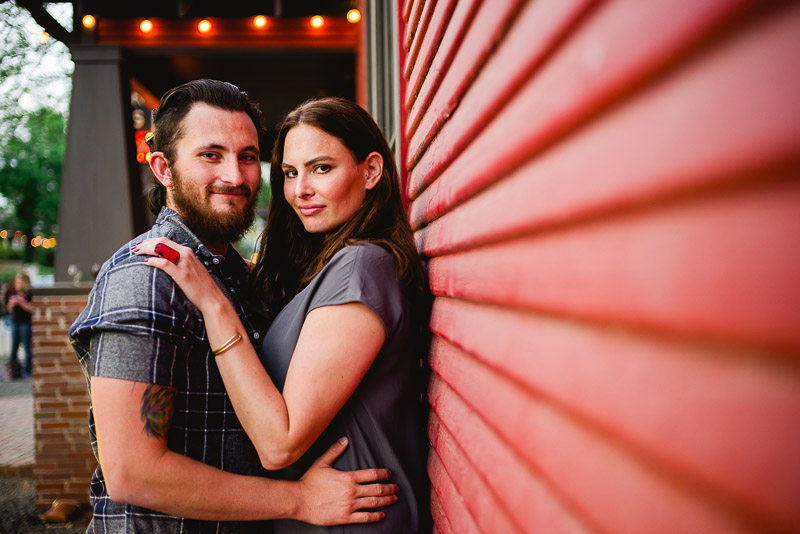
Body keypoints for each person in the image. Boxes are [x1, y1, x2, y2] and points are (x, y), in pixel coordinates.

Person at [69, 80, 399, 533]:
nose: (236, 176)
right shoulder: (146, 277)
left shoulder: (239, 277)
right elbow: (132, 472)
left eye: (247, 156)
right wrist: (298, 499)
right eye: (210, 155)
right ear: (163, 168)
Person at [5, 271, 34, 379]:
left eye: (21, 280)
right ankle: (12, 372)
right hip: (15, 323)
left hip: (26, 323)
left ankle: (27, 371)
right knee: (13, 348)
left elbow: (32, 309)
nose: (19, 283)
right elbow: (8, 311)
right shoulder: (12, 293)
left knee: (27, 348)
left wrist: (21, 302)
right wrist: (11, 304)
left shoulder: (30, 293)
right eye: (17, 281)